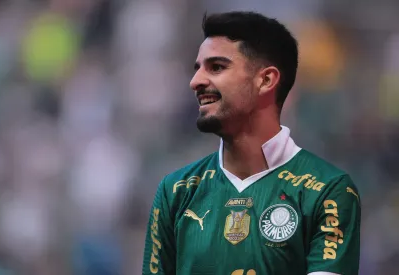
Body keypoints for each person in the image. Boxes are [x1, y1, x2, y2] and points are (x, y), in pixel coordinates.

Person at [142, 11, 360, 275]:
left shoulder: (327, 191)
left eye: (217, 67)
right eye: (197, 68)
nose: (196, 81)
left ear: (266, 80)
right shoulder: (175, 192)